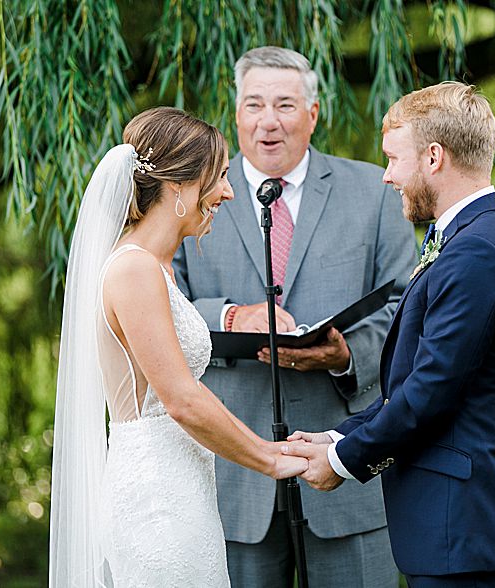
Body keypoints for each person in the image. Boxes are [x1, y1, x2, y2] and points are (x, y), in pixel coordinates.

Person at [172, 46, 415, 586]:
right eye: (253, 104)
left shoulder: (372, 192)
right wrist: (234, 316)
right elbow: (164, 301)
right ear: (235, 114)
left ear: (313, 113)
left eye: (284, 105)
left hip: (346, 468)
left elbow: (406, 306)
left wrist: (347, 355)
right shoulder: (188, 197)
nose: (268, 122)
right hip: (232, 473)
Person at [283, 82, 495, 587]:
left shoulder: (476, 253)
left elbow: (430, 393)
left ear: (434, 158)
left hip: (465, 531)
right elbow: (419, 385)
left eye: (395, 159)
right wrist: (340, 434)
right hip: (452, 529)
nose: (387, 176)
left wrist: (342, 459)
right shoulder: (468, 239)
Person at [50, 107, 310, 587]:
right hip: (156, 500)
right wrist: (270, 459)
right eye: (220, 178)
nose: (229, 193)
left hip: (181, 487)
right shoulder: (134, 270)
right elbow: (183, 400)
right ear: (178, 188)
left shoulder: (157, 268)